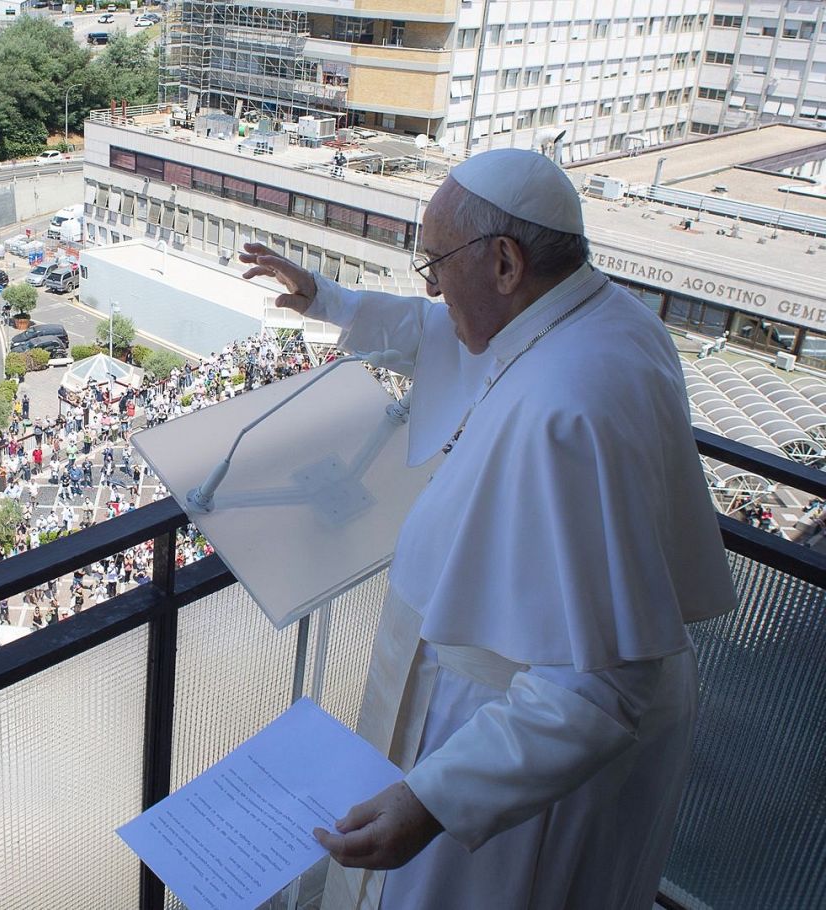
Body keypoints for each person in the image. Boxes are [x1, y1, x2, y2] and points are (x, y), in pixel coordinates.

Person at [239, 147, 738, 910]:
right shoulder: (585, 317)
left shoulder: (572, 403)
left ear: (505, 262)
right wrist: (328, 300)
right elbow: (444, 335)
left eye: (435, 265)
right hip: (516, 717)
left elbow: (598, 685)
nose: (432, 288)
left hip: (511, 745)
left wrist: (435, 800)